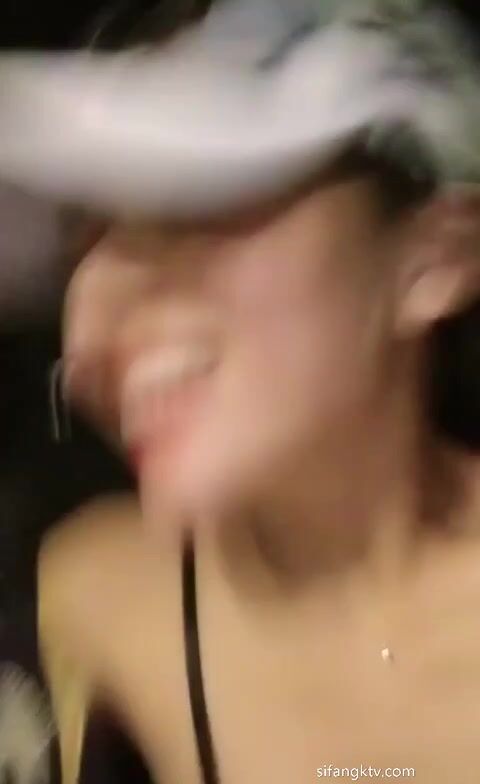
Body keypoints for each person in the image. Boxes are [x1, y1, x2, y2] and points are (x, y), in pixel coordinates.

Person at [2, 1, 480, 782]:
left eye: (196, 200)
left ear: (436, 259)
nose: (88, 327)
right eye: (83, 239)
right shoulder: (93, 604)